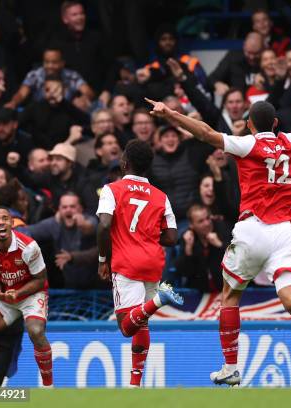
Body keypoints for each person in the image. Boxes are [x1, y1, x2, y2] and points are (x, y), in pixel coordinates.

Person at [145, 62, 291, 387]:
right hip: (285, 233)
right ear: (276, 123)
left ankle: (231, 367)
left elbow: (206, 133)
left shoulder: (247, 144)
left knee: (230, 295)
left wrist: (169, 114)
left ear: (250, 124)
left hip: (252, 229)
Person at [96, 139, 183, 387]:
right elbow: (172, 236)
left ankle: (159, 300)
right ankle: (135, 384)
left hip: (126, 264)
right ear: (149, 168)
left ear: (124, 163)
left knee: (127, 326)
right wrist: (145, 234)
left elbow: (103, 225)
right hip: (153, 263)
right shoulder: (161, 196)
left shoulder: (112, 190)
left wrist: (103, 259)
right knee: (141, 322)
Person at [0, 206, 53, 387]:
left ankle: (48, 387)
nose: (1, 222)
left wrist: (19, 293)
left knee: (36, 331)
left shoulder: (29, 246)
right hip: (7, 297)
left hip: (31, 294)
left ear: (12, 223)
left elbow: (40, 280)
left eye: (5, 218)